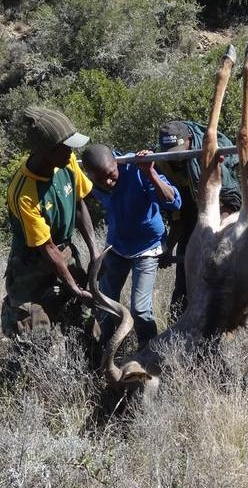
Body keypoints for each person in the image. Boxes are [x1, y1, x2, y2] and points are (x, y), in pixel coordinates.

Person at [0, 106, 98, 339]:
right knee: (34, 338)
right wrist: (72, 287)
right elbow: (46, 248)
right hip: (31, 269)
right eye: (67, 147)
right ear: (46, 151)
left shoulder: (68, 162)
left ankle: (92, 371)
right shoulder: (23, 192)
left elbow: (80, 205)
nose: (73, 151)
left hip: (64, 254)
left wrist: (94, 252)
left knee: (86, 326)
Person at [80, 144, 182, 349]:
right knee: (104, 304)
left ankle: (148, 353)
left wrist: (150, 172)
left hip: (147, 247)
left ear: (116, 163)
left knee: (140, 310)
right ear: (89, 175)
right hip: (117, 246)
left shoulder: (136, 167)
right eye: (100, 179)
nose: (108, 182)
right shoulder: (91, 180)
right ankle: (104, 351)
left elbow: (174, 202)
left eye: (111, 174)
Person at [155, 121, 242, 319]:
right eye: (170, 152)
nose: (175, 158)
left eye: (179, 151)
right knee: (185, 277)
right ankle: (177, 330)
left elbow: (231, 199)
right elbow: (180, 215)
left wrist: (215, 233)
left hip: (219, 218)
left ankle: (217, 331)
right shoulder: (161, 163)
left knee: (219, 278)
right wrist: (167, 247)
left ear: (190, 141)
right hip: (191, 220)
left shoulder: (208, 157)